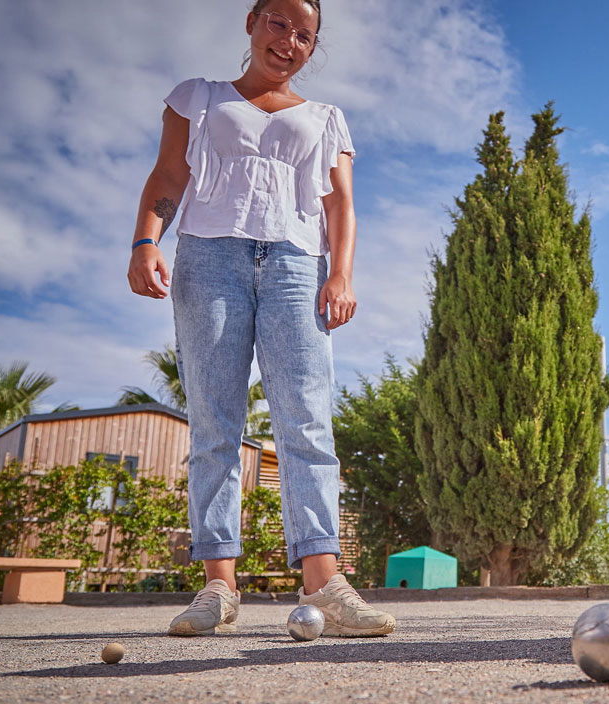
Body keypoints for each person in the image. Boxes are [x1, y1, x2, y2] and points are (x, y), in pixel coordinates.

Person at [127, 0, 394, 637]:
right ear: (251, 22)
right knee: (213, 419)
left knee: (306, 418)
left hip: (298, 266)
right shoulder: (199, 98)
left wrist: (341, 275)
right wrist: (145, 242)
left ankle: (325, 582)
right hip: (208, 258)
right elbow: (170, 174)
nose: (290, 40)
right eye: (279, 22)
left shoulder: (327, 118)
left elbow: (342, 209)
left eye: (306, 35)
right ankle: (218, 587)